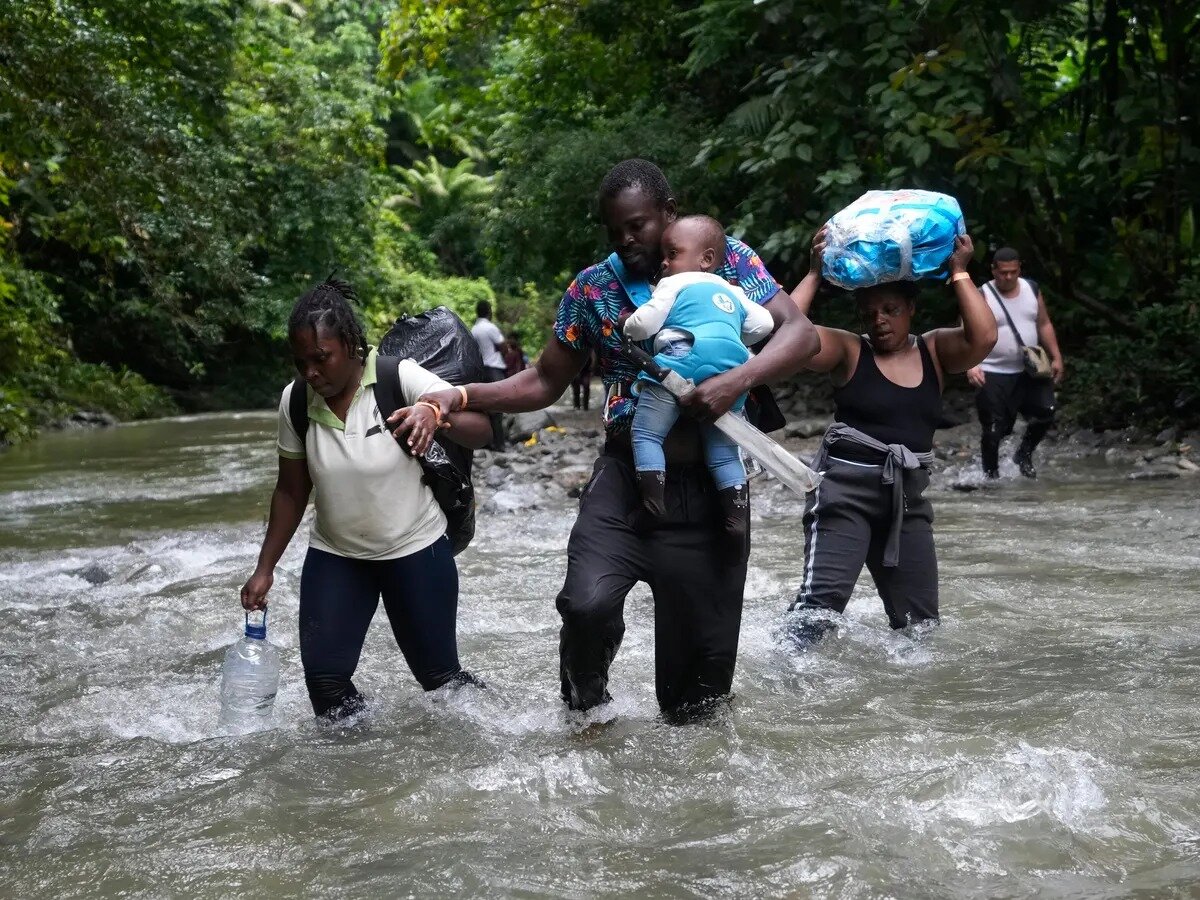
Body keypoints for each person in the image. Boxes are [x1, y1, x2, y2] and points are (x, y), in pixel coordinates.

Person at [416, 158, 819, 717]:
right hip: (627, 475)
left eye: (639, 226)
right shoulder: (594, 287)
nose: (628, 240)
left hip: (712, 490)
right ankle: (587, 714)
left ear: (669, 214)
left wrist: (736, 381)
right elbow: (543, 381)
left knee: (695, 704)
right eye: (616, 230)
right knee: (585, 604)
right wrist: (458, 395)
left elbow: (800, 336)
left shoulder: (724, 259)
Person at [240, 279, 492, 720]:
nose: (311, 373)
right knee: (325, 684)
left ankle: (500, 727)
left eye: (321, 359)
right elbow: (291, 490)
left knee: (439, 678)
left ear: (352, 345)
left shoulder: (399, 377)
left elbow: (484, 429)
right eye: (301, 363)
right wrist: (265, 569)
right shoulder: (296, 401)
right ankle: (360, 772)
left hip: (415, 549)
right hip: (337, 555)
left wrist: (436, 415)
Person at [785, 226, 997, 642]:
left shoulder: (935, 351)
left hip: (906, 500)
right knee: (819, 612)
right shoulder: (849, 351)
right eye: (870, 313)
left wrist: (959, 272)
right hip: (844, 494)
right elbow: (786, 338)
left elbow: (984, 336)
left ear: (911, 309)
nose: (879, 320)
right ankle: (785, 678)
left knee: (921, 628)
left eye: (890, 309)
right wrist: (813, 273)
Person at [623, 214, 774, 542]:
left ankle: (652, 502)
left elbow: (645, 324)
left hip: (682, 359)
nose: (664, 262)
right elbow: (764, 324)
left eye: (672, 254)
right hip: (730, 370)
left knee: (647, 435)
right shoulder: (732, 289)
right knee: (723, 453)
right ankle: (736, 519)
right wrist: (733, 336)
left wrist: (628, 327)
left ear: (705, 259)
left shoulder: (673, 283)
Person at [966, 247, 1064, 479]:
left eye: (1013, 272)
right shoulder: (982, 294)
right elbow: (965, 331)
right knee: (994, 429)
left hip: (1028, 370)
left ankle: (1024, 454)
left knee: (1046, 413)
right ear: (993, 270)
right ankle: (991, 476)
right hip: (992, 370)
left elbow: (1044, 324)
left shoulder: (1031, 289)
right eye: (1003, 273)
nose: (1008, 277)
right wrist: (971, 365)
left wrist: (1056, 356)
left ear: (1019, 268)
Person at [471, 300, 509, 450]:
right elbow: (503, 346)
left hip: (481, 370)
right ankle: (499, 443)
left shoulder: (474, 329)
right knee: (498, 407)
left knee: (484, 407)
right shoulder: (490, 327)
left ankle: (487, 442)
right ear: (489, 311)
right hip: (494, 368)